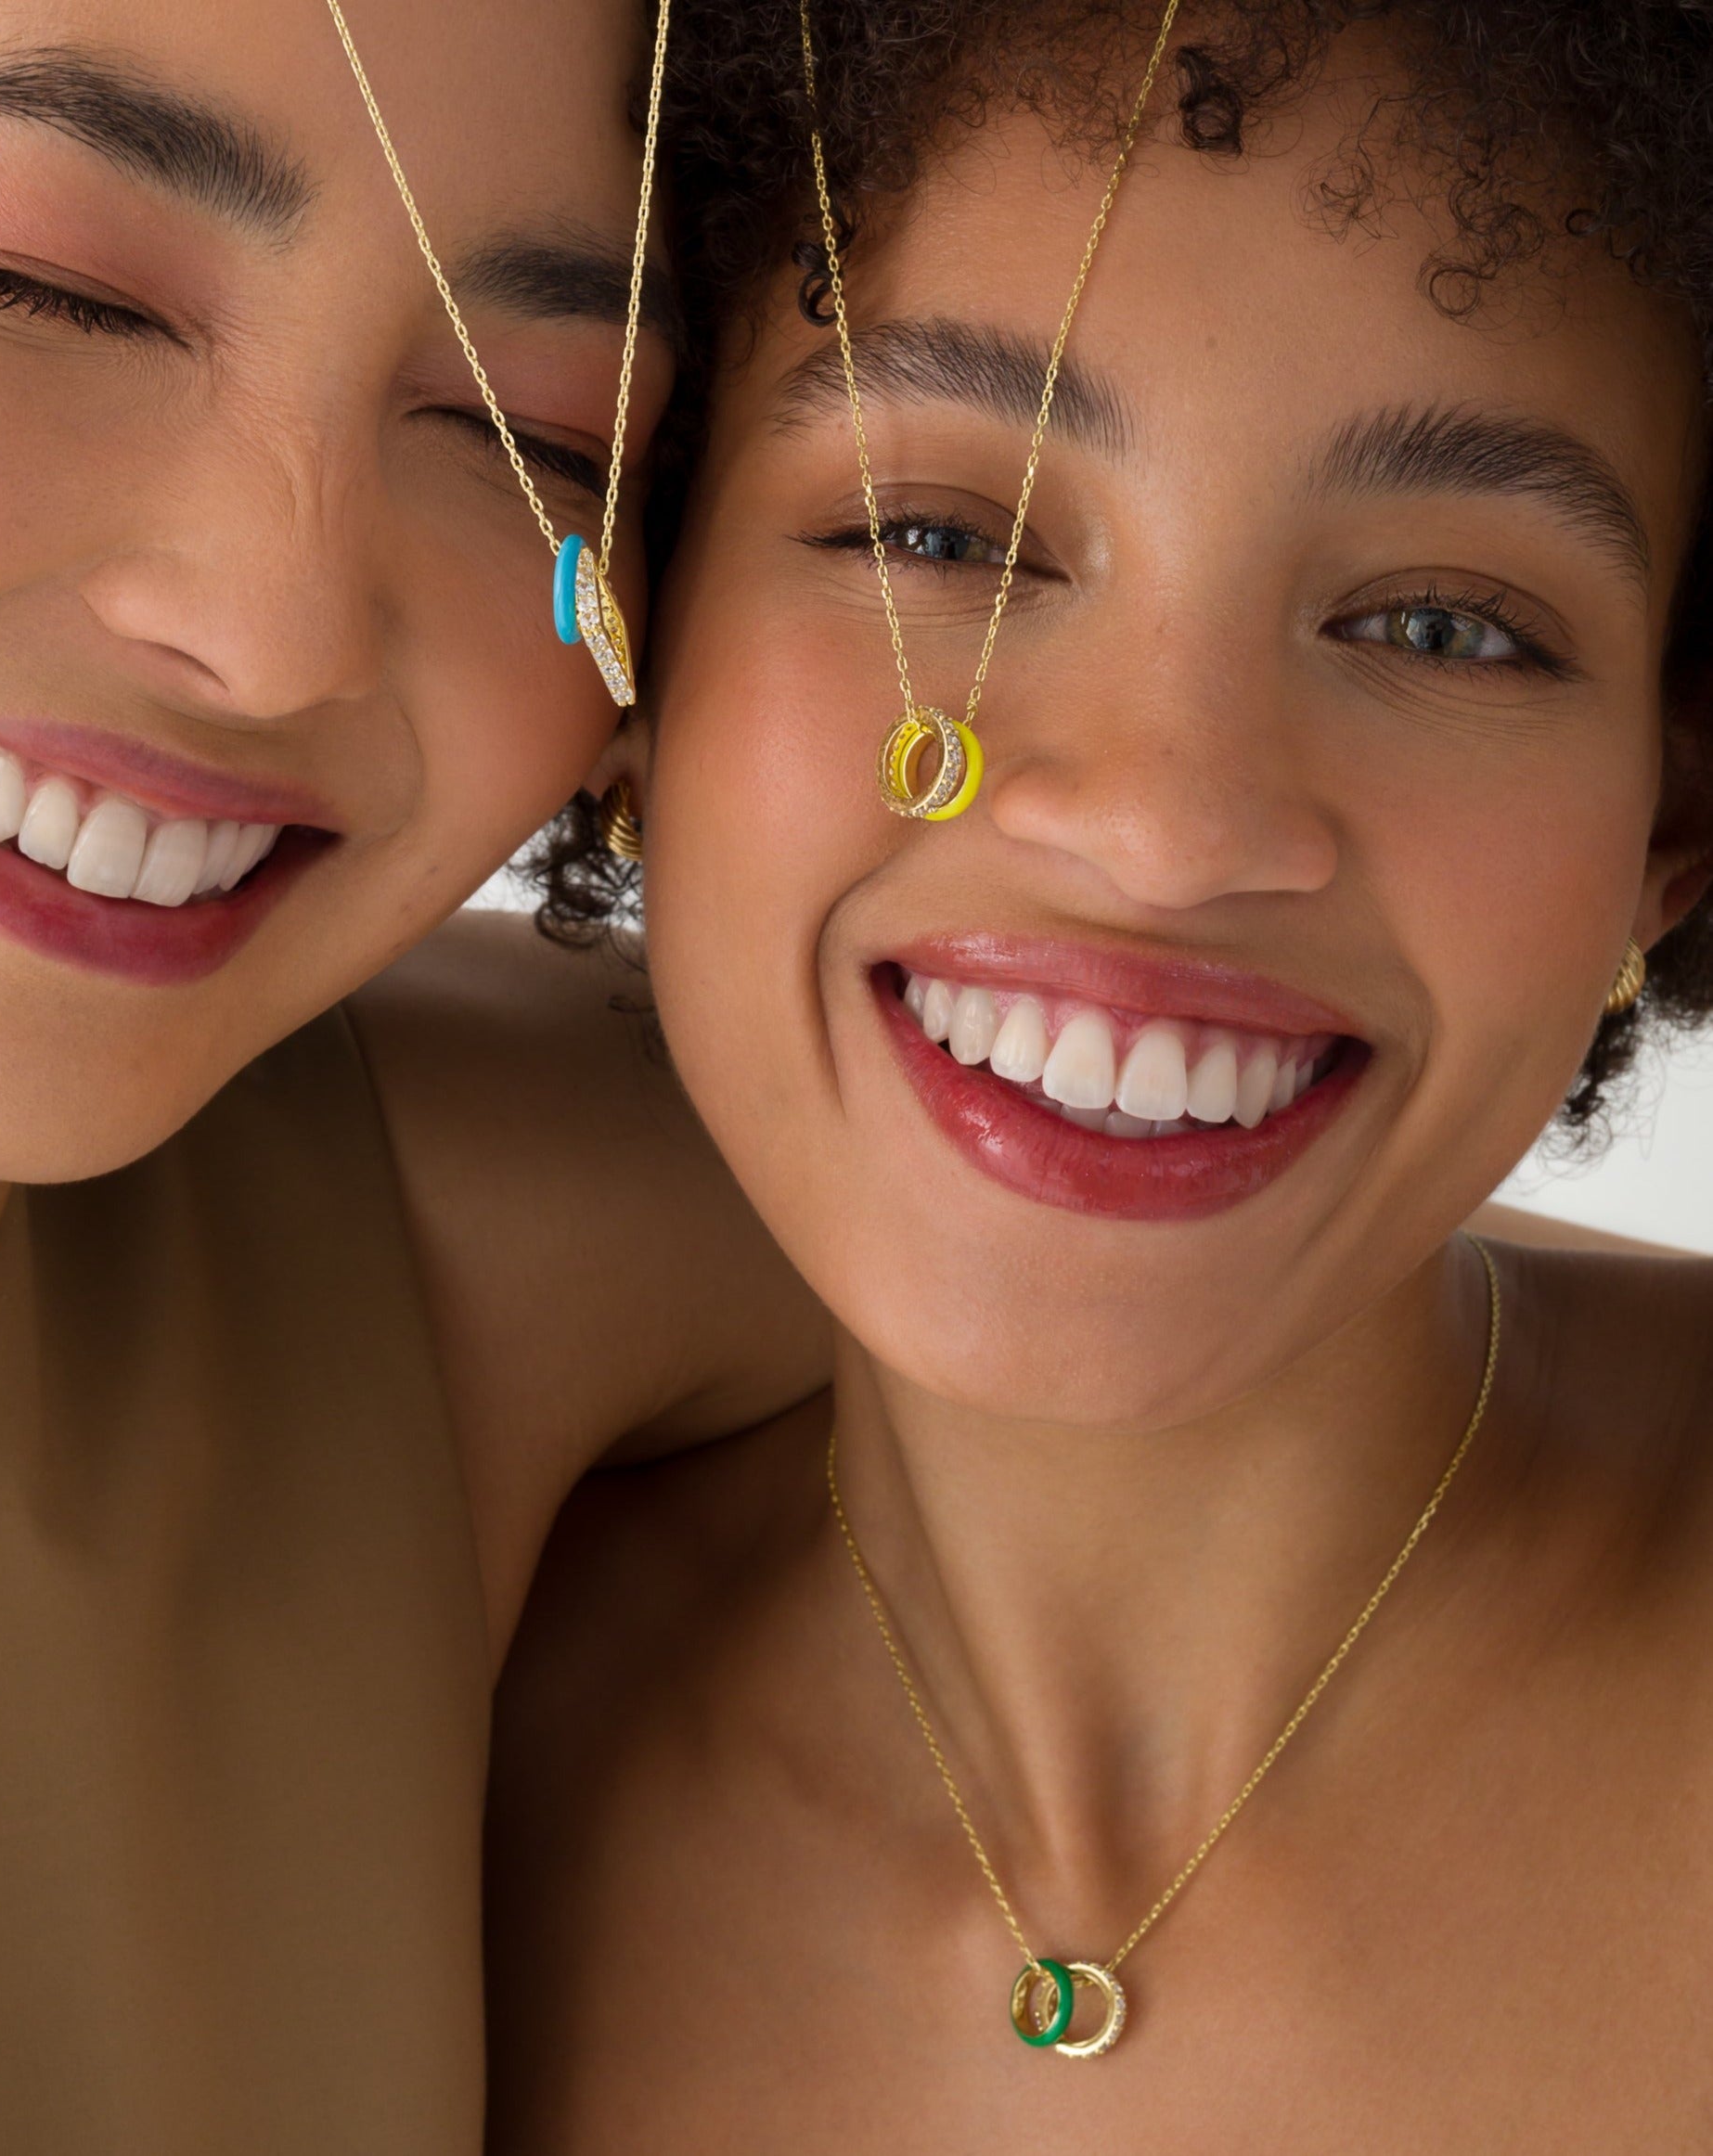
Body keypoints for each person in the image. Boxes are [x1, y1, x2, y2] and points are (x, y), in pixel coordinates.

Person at [0, 3, 826, 2151]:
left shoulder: (508, 1239)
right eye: (41, 285)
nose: (276, 623)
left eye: (533, 434)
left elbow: (1482, 1368)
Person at [487, 0, 1713, 2144]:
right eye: (942, 538)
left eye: (1445, 627)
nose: (1168, 825)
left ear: (1668, 834)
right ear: (628, 638)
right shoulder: (368, 1695)